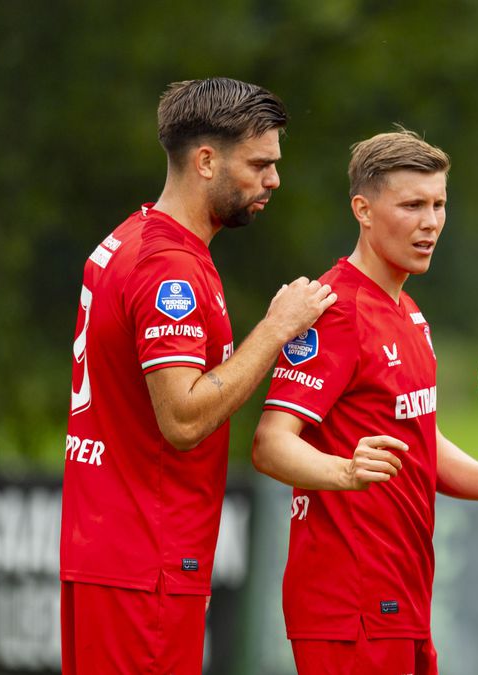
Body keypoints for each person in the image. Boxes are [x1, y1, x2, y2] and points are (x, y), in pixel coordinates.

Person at [60, 77, 336, 674]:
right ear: (206, 160)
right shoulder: (171, 270)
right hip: (147, 558)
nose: (274, 180)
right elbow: (182, 419)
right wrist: (275, 329)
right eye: (260, 164)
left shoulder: (129, 238)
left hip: (107, 552)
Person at [250, 130, 478, 675]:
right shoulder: (338, 309)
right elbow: (271, 444)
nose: (431, 222)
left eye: (439, 204)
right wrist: (344, 470)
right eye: (412, 205)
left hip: (402, 599)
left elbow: (418, 440)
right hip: (349, 606)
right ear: (362, 210)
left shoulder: (408, 312)